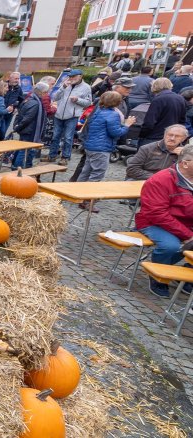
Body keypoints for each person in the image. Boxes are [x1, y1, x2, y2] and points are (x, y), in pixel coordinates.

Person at [136, 145, 193, 297]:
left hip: (185, 223)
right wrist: (187, 235)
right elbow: (157, 213)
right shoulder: (162, 179)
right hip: (154, 223)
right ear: (186, 163)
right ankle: (158, 276)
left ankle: (187, 274)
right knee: (170, 246)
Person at [76, 91, 134, 184]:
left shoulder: (98, 111)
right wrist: (127, 125)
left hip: (90, 146)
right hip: (101, 148)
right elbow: (115, 133)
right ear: (117, 102)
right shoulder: (113, 114)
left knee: (86, 172)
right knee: (97, 173)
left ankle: (76, 191)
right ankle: (88, 196)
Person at [48, 69, 92, 165]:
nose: (71, 78)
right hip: (59, 115)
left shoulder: (86, 87)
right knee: (55, 136)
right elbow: (55, 97)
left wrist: (78, 100)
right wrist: (63, 87)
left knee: (68, 137)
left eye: (73, 77)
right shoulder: (65, 84)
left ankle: (65, 157)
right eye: (70, 76)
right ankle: (52, 156)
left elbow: (88, 103)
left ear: (80, 76)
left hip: (72, 116)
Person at [12, 82, 50, 169]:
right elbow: (27, 118)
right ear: (41, 92)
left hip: (26, 130)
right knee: (23, 151)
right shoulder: (35, 103)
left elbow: (20, 113)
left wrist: (17, 126)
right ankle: (16, 168)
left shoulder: (29, 99)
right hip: (29, 131)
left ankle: (16, 166)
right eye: (46, 92)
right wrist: (18, 127)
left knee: (21, 149)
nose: (47, 94)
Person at [140, 77, 187, 145]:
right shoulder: (180, 98)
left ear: (155, 86)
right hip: (171, 136)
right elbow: (182, 120)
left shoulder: (158, 99)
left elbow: (149, 122)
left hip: (154, 137)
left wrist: (141, 134)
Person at [1, 71, 23, 139]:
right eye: (15, 78)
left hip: (10, 113)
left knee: (4, 130)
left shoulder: (18, 88)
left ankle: (0, 144)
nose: (17, 80)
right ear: (10, 78)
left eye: (18, 79)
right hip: (1, 111)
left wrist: (17, 108)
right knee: (1, 130)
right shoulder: (4, 85)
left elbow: (21, 100)